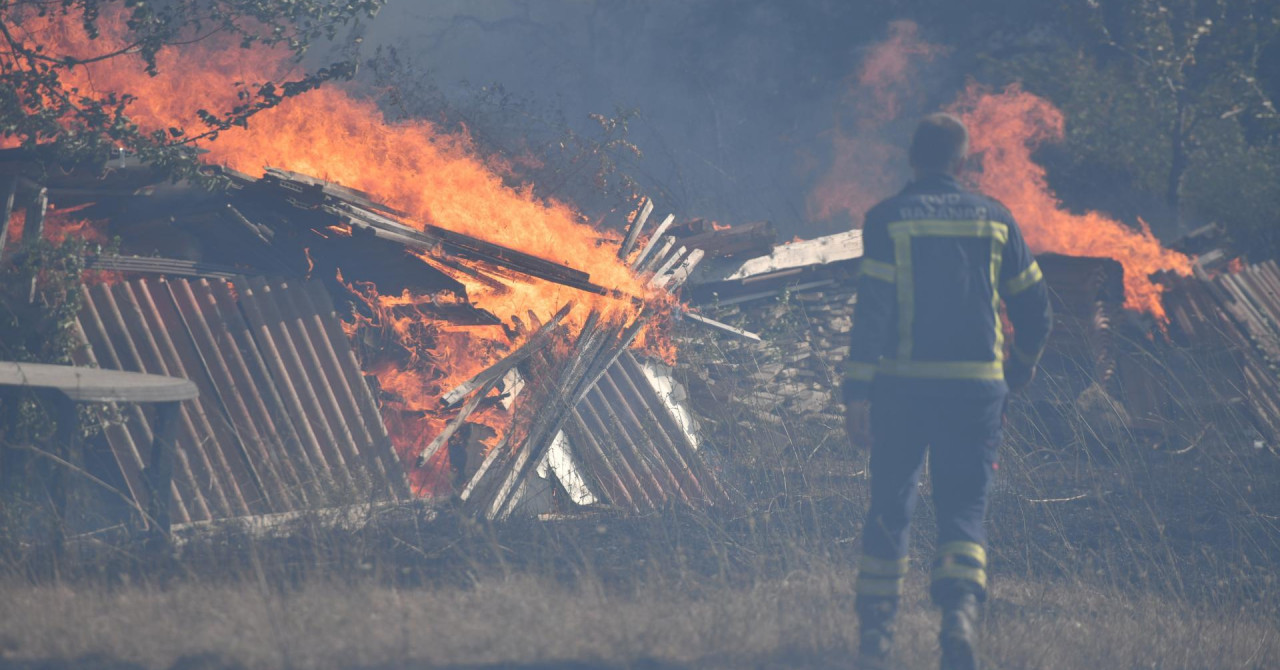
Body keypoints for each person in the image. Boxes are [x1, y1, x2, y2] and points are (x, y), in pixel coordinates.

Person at [841, 113, 1052, 670]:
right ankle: (958, 620)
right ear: (963, 164)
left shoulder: (887, 219)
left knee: (891, 501)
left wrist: (856, 395)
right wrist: (1020, 368)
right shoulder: (996, 220)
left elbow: (873, 314)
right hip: (976, 394)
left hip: (903, 391)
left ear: (912, 158)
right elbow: (1036, 308)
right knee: (964, 510)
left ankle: (877, 639)